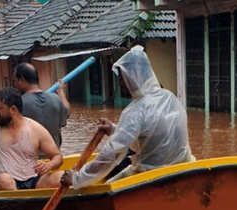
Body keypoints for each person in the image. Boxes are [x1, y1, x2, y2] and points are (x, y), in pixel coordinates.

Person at [60, 45, 195, 189]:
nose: (121, 83)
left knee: (106, 188)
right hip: (183, 170)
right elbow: (149, 137)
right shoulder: (170, 97)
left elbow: (111, 154)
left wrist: (77, 179)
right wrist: (113, 129)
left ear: (134, 76)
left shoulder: (136, 110)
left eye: (123, 78)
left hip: (150, 177)